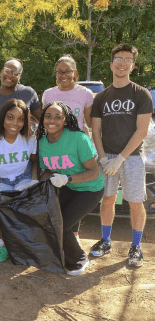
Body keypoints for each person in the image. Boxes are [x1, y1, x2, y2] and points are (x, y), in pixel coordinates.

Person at [90, 44, 153, 267]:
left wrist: (121, 158)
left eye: (127, 59)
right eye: (118, 58)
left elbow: (142, 130)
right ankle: (105, 241)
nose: (122, 63)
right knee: (107, 200)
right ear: (111, 64)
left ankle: (136, 246)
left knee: (136, 202)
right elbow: (95, 130)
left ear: (132, 65)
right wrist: (105, 157)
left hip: (132, 157)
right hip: (107, 157)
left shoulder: (141, 94)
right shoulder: (101, 97)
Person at [36, 101, 104, 276]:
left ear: (65, 121)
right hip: (67, 186)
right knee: (50, 220)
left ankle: (80, 258)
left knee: (62, 225)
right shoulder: (42, 143)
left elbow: (94, 172)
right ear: (42, 119)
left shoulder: (78, 139)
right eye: (48, 116)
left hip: (90, 188)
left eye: (58, 117)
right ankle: (61, 252)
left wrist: (67, 178)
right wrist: (36, 183)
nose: (52, 120)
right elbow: (49, 170)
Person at [42, 54, 94, 240]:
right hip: (54, 149)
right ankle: (57, 232)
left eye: (67, 71)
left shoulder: (85, 94)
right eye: (60, 72)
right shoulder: (48, 94)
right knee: (57, 191)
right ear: (56, 74)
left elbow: (88, 123)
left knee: (75, 188)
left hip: (76, 150)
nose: (63, 75)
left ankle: (74, 234)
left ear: (75, 73)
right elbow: (45, 122)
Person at [0, 98, 38, 247]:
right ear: (2, 117)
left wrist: (34, 180)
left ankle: (23, 241)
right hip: (1, 180)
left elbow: (35, 161)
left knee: (22, 209)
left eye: (20, 119)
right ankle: (1, 238)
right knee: (1, 211)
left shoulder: (29, 139)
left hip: (23, 177)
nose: (14, 123)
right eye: (10, 117)